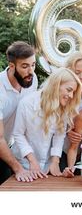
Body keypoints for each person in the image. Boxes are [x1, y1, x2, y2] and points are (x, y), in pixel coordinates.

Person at [12, 67, 82, 179]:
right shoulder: (27, 103)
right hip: (23, 163)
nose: (71, 96)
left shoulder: (63, 107)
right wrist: (32, 161)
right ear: (56, 85)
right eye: (69, 90)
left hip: (47, 165)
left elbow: (59, 135)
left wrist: (55, 161)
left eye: (73, 92)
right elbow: (18, 134)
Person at [0, 41, 38, 184]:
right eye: (25, 66)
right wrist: (18, 168)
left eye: (33, 65)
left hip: (7, 148)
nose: (31, 71)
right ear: (11, 66)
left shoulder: (31, 81)